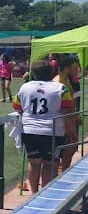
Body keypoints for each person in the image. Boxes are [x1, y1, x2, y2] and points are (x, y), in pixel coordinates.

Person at [13, 60, 74, 193]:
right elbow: (68, 111)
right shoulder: (60, 88)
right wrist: (72, 132)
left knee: (34, 163)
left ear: (33, 73)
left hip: (30, 130)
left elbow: (17, 107)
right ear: (52, 72)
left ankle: (34, 193)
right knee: (50, 165)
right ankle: (45, 193)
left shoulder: (25, 87)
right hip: (53, 131)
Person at [54, 55, 82, 171]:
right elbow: (65, 107)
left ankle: (63, 170)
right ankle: (63, 173)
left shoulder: (66, 81)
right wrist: (72, 123)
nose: (77, 72)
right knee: (68, 150)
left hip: (68, 120)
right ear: (67, 68)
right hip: (64, 123)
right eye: (75, 69)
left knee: (70, 149)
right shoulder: (60, 83)